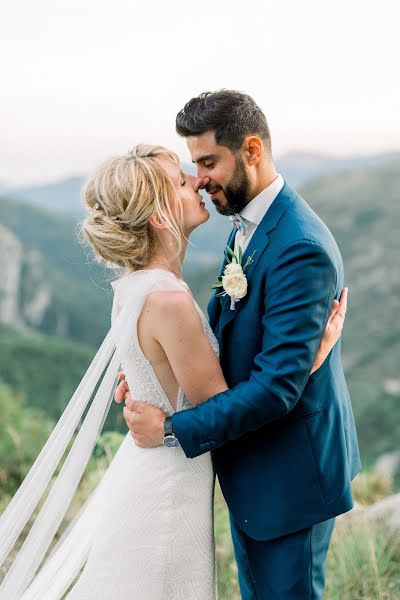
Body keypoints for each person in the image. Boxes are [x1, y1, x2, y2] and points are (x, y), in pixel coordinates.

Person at [0, 141, 344, 600]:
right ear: (160, 217)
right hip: (168, 487)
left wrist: (147, 380)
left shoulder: (137, 286)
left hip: (147, 470)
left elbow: (159, 361)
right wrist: (307, 361)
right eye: (183, 181)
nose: (197, 182)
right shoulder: (170, 300)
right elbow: (223, 409)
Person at [117, 90, 361, 600]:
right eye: (193, 164)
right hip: (253, 466)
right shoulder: (247, 222)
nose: (200, 178)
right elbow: (227, 334)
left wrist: (169, 428)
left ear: (251, 151)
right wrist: (158, 375)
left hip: (288, 475)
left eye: (208, 162)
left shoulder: (300, 247)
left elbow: (276, 390)